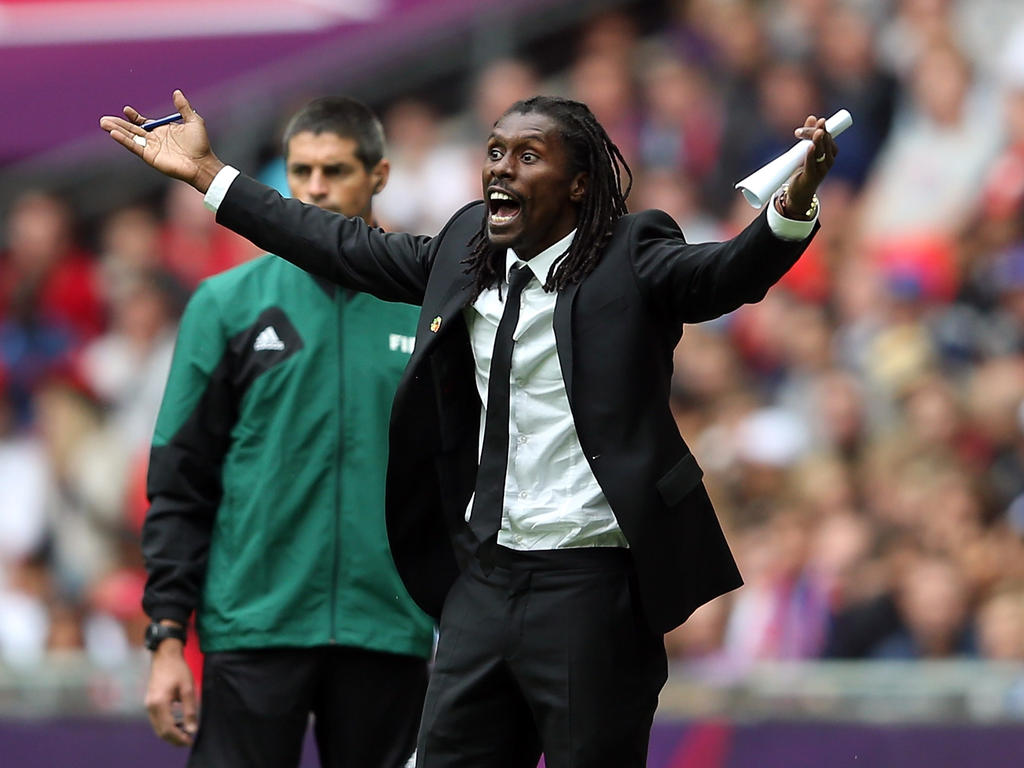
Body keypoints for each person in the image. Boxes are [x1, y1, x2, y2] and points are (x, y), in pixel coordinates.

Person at [101, 88, 836, 767]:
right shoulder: (465, 252)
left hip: (590, 580)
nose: (500, 170)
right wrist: (207, 174)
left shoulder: (631, 255)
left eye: (526, 156)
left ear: (578, 183)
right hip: (485, 579)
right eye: (492, 152)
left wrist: (792, 203)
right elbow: (333, 242)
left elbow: (725, 276)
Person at [135, 97, 433, 768]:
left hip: (389, 627)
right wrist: (164, 640)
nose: (316, 188)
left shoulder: (427, 305)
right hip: (253, 625)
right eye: (300, 172)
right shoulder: (225, 304)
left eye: (335, 170)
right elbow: (180, 481)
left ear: (379, 175)